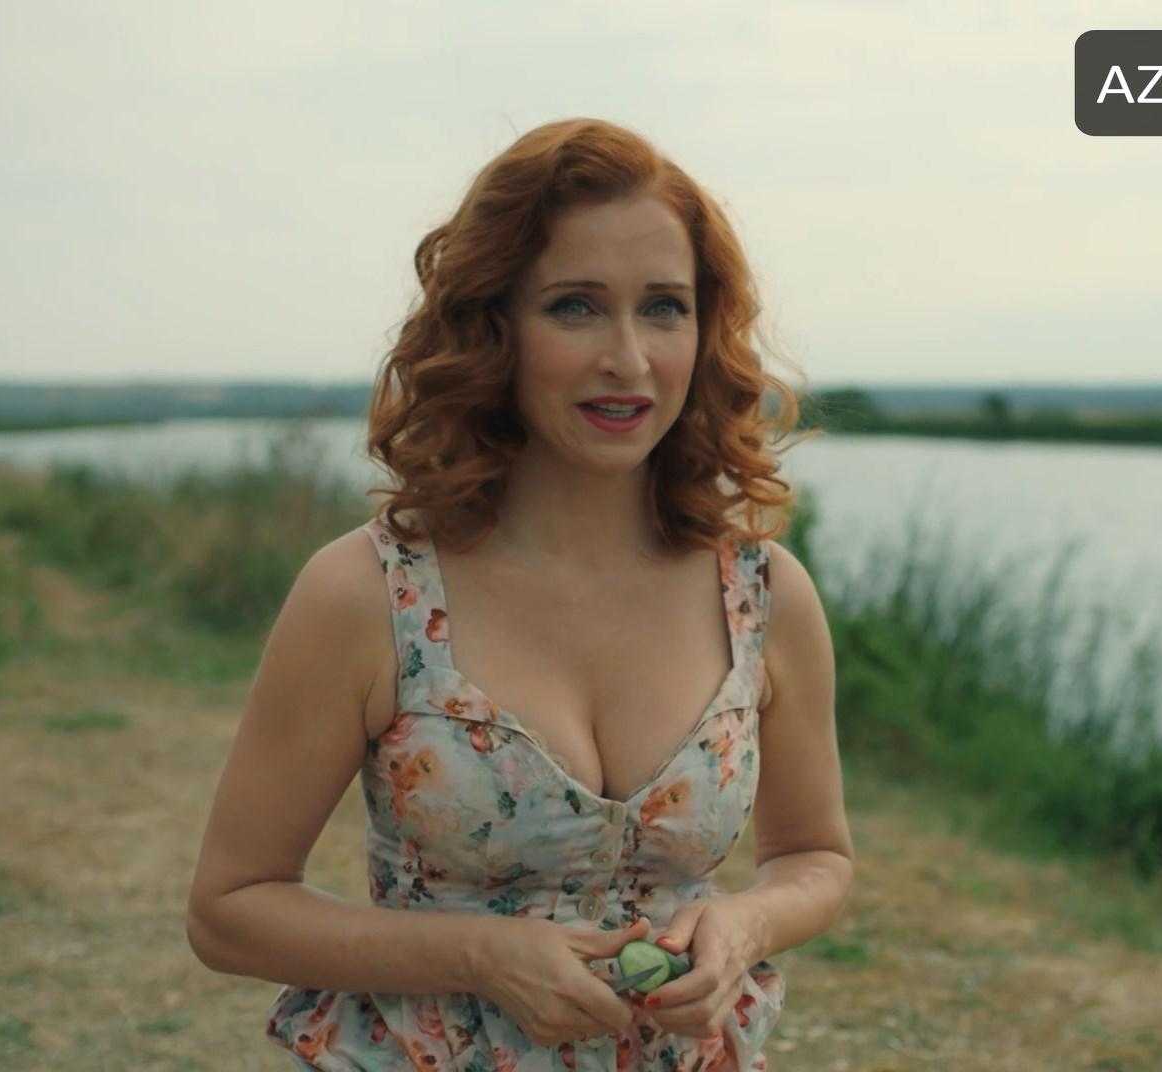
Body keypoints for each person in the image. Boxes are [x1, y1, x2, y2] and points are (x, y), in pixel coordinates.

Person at [187, 118, 853, 1071]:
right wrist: (479, 956)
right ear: (493, 326)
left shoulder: (761, 593)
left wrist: (742, 925)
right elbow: (229, 911)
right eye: (575, 306)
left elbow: (815, 857)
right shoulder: (370, 595)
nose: (628, 358)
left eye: (663, 308)